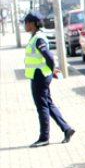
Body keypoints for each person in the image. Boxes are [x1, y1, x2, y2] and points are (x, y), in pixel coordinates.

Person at [23, 12, 74, 147]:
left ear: (32, 23)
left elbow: (49, 57)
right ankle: (67, 129)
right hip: (38, 75)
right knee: (48, 104)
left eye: (26, 22)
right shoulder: (35, 37)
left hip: (40, 76)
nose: (25, 25)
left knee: (42, 106)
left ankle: (44, 137)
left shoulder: (38, 39)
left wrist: (52, 70)